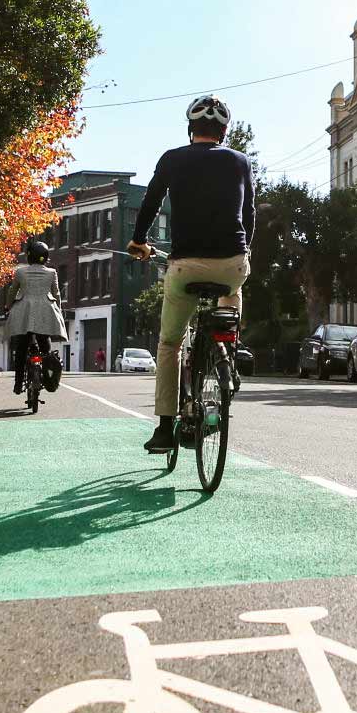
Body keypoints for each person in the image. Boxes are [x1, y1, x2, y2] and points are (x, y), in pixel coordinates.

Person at [128, 94, 254, 453]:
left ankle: (165, 427)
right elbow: (250, 215)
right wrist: (245, 251)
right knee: (233, 290)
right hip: (232, 262)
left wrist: (139, 241)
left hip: (185, 265)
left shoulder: (173, 158)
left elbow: (150, 201)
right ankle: (229, 346)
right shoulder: (240, 161)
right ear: (224, 131)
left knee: (169, 343)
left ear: (190, 129)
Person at [4, 239, 67, 395]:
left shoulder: (20, 272)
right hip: (45, 311)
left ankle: (18, 383)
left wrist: (9, 305)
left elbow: (12, 292)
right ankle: (48, 377)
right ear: (46, 257)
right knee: (45, 346)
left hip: (24, 312)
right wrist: (58, 309)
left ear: (29, 256)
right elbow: (56, 294)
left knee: (21, 348)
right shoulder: (52, 273)